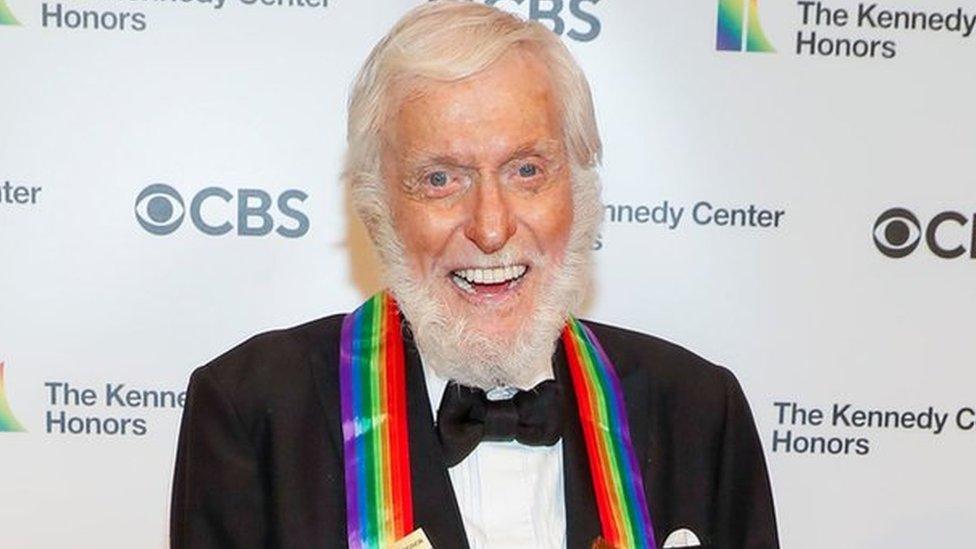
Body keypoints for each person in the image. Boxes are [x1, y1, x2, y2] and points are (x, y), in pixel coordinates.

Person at [169, 2, 779, 548]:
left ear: (582, 191)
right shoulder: (252, 414)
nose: (490, 227)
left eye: (527, 170)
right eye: (441, 179)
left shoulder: (699, 412)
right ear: (378, 208)